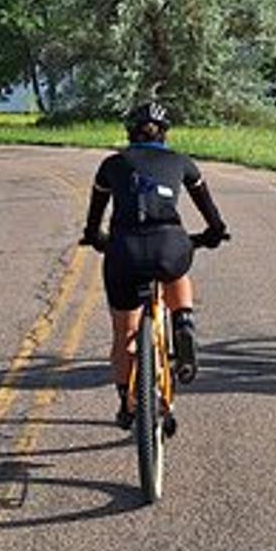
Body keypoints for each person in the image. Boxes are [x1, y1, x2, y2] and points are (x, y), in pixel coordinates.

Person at [81, 100, 229, 433]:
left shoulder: (112, 165)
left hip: (124, 251)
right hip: (168, 245)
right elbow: (211, 213)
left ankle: (126, 403)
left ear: (129, 133)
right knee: (177, 264)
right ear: (165, 134)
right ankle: (184, 321)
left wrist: (94, 237)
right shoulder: (182, 163)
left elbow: (94, 219)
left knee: (125, 332)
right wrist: (213, 235)